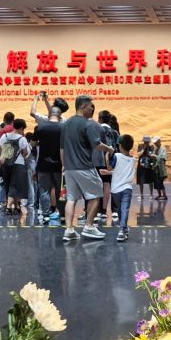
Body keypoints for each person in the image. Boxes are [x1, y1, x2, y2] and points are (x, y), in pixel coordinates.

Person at [60, 96, 107, 243]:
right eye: (90, 106)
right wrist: (110, 149)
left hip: (69, 168)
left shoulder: (66, 124)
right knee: (97, 192)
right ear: (83, 106)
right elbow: (97, 145)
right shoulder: (87, 123)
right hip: (84, 166)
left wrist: (64, 165)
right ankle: (89, 226)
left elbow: (62, 148)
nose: (92, 109)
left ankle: (69, 230)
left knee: (71, 198)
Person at [30, 95, 66, 228]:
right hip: (59, 165)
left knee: (44, 190)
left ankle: (45, 214)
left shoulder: (41, 127)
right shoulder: (64, 128)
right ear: (60, 115)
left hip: (43, 164)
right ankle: (62, 214)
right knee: (59, 191)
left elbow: (33, 144)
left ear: (49, 114)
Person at [109, 133, 138, 243]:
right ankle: (123, 229)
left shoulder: (116, 156)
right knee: (124, 209)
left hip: (115, 189)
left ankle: (122, 229)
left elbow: (110, 167)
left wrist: (107, 157)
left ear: (120, 146)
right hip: (127, 188)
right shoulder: (133, 159)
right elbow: (123, 170)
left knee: (121, 209)